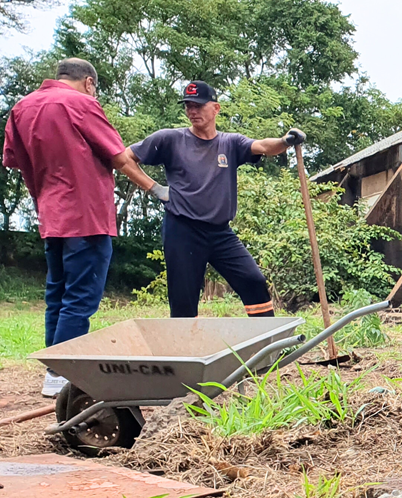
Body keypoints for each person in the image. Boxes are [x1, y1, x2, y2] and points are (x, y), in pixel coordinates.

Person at [2, 58, 165, 396]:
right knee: (80, 297)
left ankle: (54, 370)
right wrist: (157, 190)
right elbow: (119, 157)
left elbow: (13, 161)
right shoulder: (81, 104)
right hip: (86, 215)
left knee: (57, 295)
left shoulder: (22, 108)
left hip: (51, 216)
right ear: (89, 82)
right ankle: (63, 374)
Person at [130, 81, 305, 318]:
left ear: (216, 109)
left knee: (253, 281)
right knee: (184, 301)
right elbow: (124, 158)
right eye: (188, 106)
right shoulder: (169, 139)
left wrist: (285, 141)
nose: (192, 111)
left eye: (199, 106)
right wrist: (155, 188)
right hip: (182, 230)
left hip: (220, 232)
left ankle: (267, 347)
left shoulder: (230, 143)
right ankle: (186, 353)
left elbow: (263, 146)